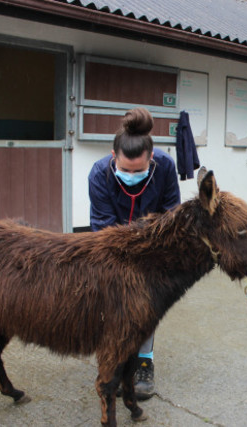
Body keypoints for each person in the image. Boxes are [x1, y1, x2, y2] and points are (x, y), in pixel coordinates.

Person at [88, 107, 181, 400]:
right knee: (112, 303)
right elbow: (102, 224)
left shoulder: (165, 167)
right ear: (113, 156)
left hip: (153, 246)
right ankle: (114, 357)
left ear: (151, 159)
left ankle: (143, 362)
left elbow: (170, 217)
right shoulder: (98, 173)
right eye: (124, 170)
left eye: (138, 171)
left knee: (146, 305)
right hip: (113, 245)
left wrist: (151, 253)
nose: (130, 176)